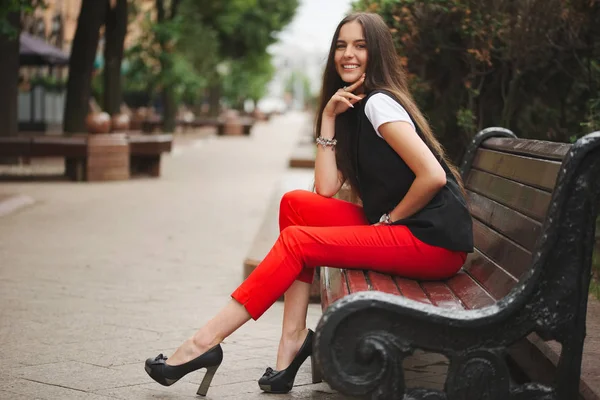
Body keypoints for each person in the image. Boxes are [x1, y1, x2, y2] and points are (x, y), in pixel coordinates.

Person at [144, 12, 473, 396]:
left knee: (298, 241)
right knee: (295, 205)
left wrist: (390, 220)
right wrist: (329, 118)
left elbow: (432, 176)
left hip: (431, 241)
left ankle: (202, 344)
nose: (348, 54)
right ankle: (294, 339)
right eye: (341, 45)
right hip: (407, 230)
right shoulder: (354, 105)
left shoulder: (380, 105)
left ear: (378, 53)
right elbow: (326, 188)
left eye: (360, 46)